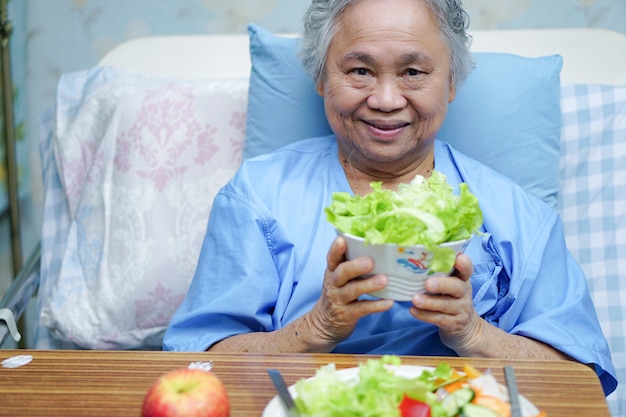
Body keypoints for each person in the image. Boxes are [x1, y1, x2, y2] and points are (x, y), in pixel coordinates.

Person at [163, 0, 617, 395]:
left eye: (413, 72)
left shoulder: (521, 218)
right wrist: (316, 328)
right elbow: (198, 359)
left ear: (452, 83)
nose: (384, 99)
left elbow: (579, 380)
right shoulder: (258, 197)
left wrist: (472, 331)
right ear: (322, 78)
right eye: (359, 70)